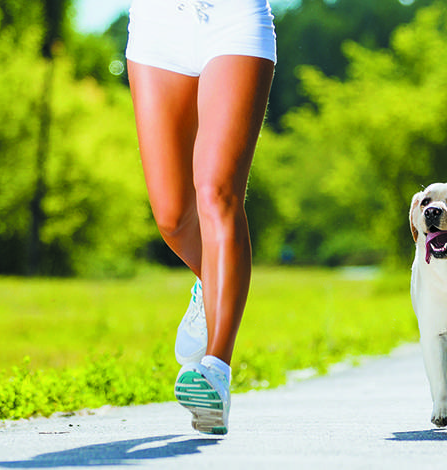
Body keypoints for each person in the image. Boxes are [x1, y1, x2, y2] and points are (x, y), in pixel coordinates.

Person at [125, 0, 277, 435]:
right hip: (156, 28)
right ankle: (210, 285)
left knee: (216, 193)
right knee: (172, 218)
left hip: (234, 21)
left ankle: (215, 371)